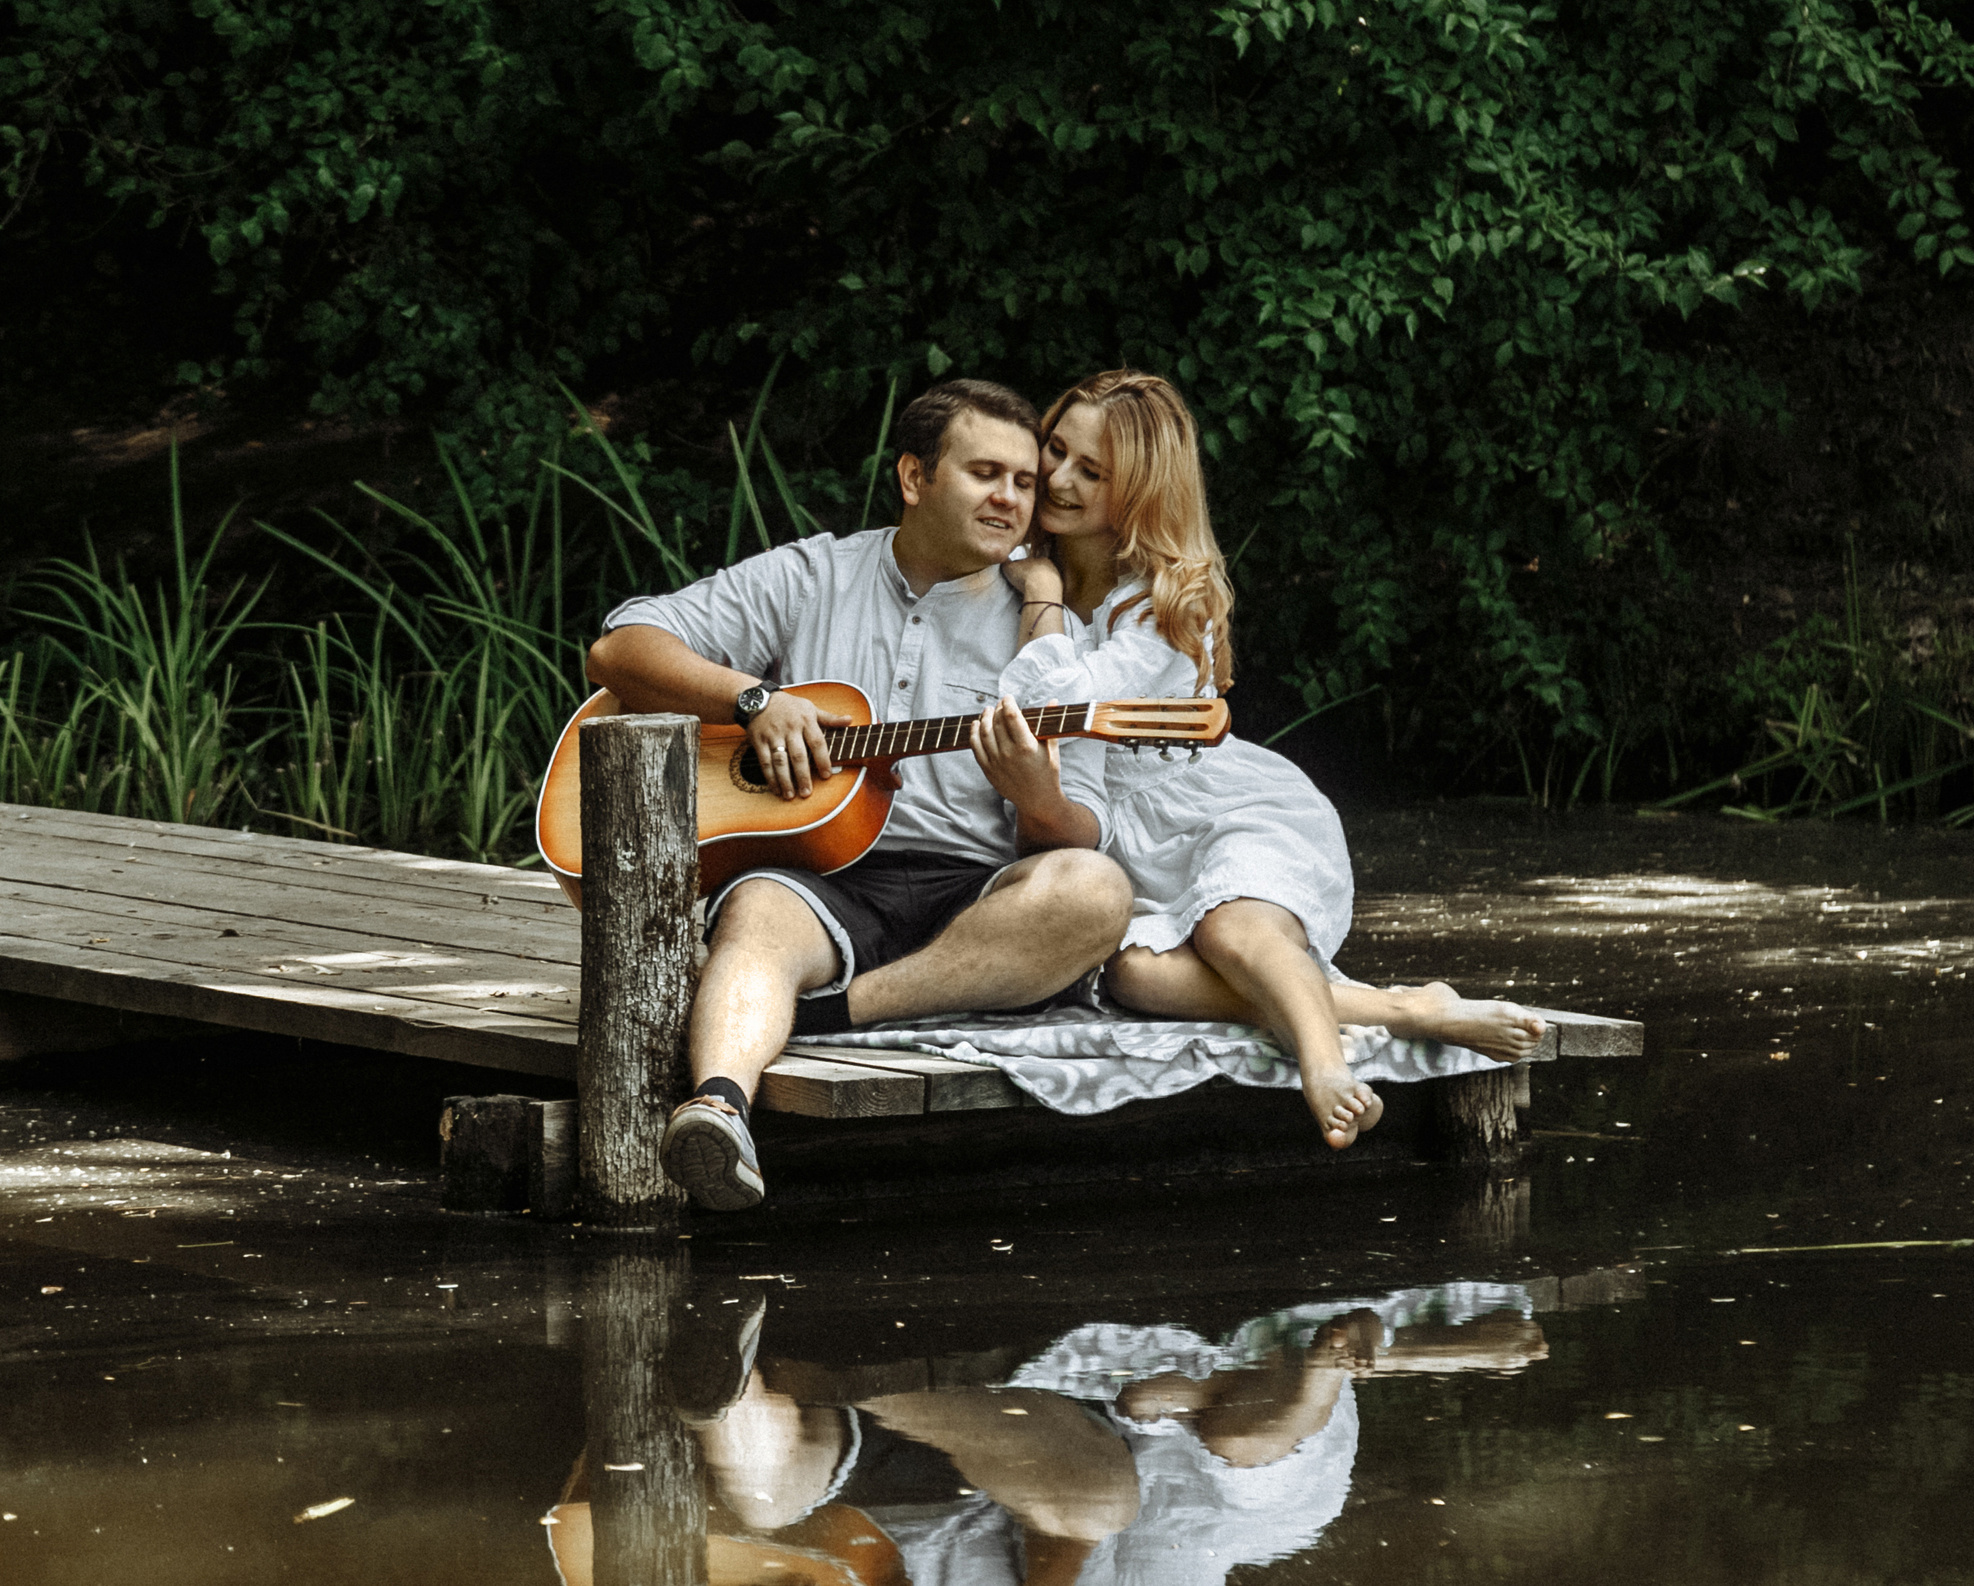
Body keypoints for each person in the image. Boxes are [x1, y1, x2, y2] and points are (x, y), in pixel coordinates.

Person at [585, 379, 1135, 1212]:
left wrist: (1036, 800)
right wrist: (753, 701)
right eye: (986, 473)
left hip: (973, 893)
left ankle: (830, 1014)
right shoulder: (813, 574)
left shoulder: (1052, 635)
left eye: (1025, 482)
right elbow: (622, 648)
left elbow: (1079, 829)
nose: (1011, 498)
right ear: (915, 477)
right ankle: (719, 1107)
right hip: (821, 876)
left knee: (1095, 891)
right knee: (757, 914)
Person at [999, 370, 1545, 1150]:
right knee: (1135, 978)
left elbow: (1057, 705)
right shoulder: (1010, 557)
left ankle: (1324, 1066)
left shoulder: (1165, 602)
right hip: (1126, 844)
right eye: (1056, 450)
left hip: (1220, 809)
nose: (1057, 479)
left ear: (1141, 492)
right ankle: (1408, 1007)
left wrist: (1043, 593)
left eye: (1093, 471)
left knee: (1233, 936)